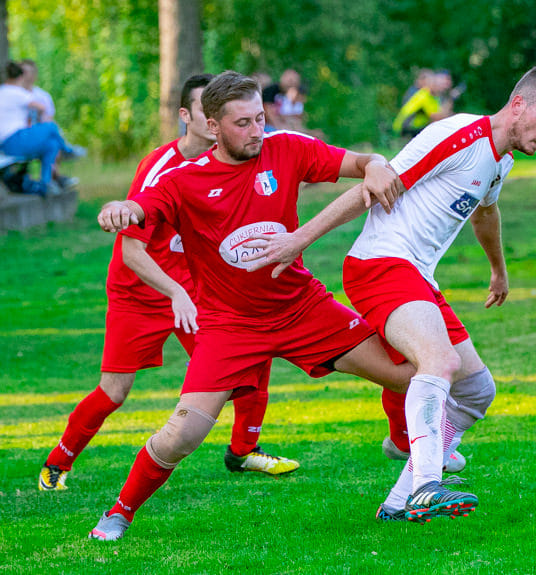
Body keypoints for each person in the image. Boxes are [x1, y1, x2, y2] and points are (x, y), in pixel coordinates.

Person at [242, 64, 536, 522]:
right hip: (381, 264)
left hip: (417, 276)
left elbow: (485, 214)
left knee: (478, 390)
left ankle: (401, 497)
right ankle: (426, 484)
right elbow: (374, 185)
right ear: (518, 104)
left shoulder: (501, 159)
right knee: (440, 362)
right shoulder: (460, 134)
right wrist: (299, 239)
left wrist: (499, 271)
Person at [89, 71, 416, 541]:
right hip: (229, 326)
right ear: (212, 126)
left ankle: (406, 447)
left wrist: (379, 163)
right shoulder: (183, 181)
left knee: (408, 374)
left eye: (260, 118)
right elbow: (138, 211)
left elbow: (361, 162)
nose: (257, 131)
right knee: (181, 435)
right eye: (243, 123)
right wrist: (117, 208)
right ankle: (119, 513)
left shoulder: (287, 148)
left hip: (302, 307)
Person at [38, 74, 299, 493]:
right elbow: (131, 252)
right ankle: (58, 462)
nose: (217, 121)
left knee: (251, 355)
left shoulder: (236, 161)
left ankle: (243, 451)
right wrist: (176, 291)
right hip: (140, 291)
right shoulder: (161, 168)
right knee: (115, 390)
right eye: (206, 112)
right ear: (190, 117)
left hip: (193, 291)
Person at [0, 61, 84, 196]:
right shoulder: (15, 91)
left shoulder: (4, 91)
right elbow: (42, 108)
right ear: (20, 77)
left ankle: (46, 183)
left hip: (11, 142)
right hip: (14, 140)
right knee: (50, 127)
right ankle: (68, 150)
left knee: (51, 145)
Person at [391, 69, 455, 139]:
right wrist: (450, 99)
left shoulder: (434, 97)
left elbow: (441, 114)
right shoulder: (424, 95)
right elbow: (437, 117)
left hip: (414, 128)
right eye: (436, 84)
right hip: (406, 128)